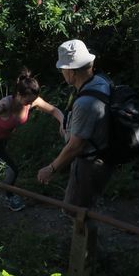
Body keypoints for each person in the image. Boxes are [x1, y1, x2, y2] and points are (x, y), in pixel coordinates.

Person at [0, 68, 64, 211]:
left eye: (32, 101)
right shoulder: (4, 105)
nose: (31, 105)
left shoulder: (30, 100)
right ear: (19, 95)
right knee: (11, 169)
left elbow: (54, 110)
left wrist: (62, 122)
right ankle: (8, 197)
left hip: (1, 140)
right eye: (28, 102)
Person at [37, 39, 113, 210]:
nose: (62, 73)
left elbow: (75, 146)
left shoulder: (86, 103)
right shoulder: (100, 82)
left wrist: (51, 169)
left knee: (75, 210)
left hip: (89, 163)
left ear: (71, 72)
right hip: (101, 155)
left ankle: (84, 236)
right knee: (86, 206)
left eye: (62, 69)